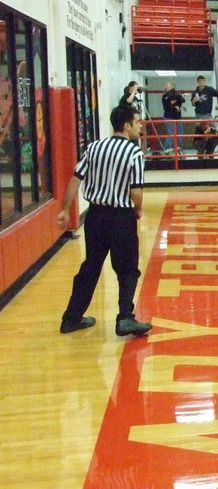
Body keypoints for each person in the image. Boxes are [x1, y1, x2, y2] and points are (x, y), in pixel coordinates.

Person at [57, 105, 152, 337]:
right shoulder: (134, 153)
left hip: (96, 216)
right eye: (138, 122)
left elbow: (76, 179)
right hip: (121, 218)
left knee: (91, 266)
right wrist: (138, 210)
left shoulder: (94, 147)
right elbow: (136, 192)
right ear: (127, 125)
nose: (141, 126)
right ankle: (125, 319)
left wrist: (65, 209)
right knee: (127, 269)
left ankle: (71, 318)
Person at [161, 81, 184, 153]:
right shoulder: (165, 96)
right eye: (166, 86)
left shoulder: (176, 95)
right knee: (171, 134)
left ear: (173, 87)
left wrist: (177, 98)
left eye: (168, 86)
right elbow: (169, 100)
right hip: (169, 117)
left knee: (180, 134)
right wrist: (179, 97)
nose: (166, 87)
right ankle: (167, 150)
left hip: (177, 117)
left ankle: (179, 149)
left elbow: (183, 100)